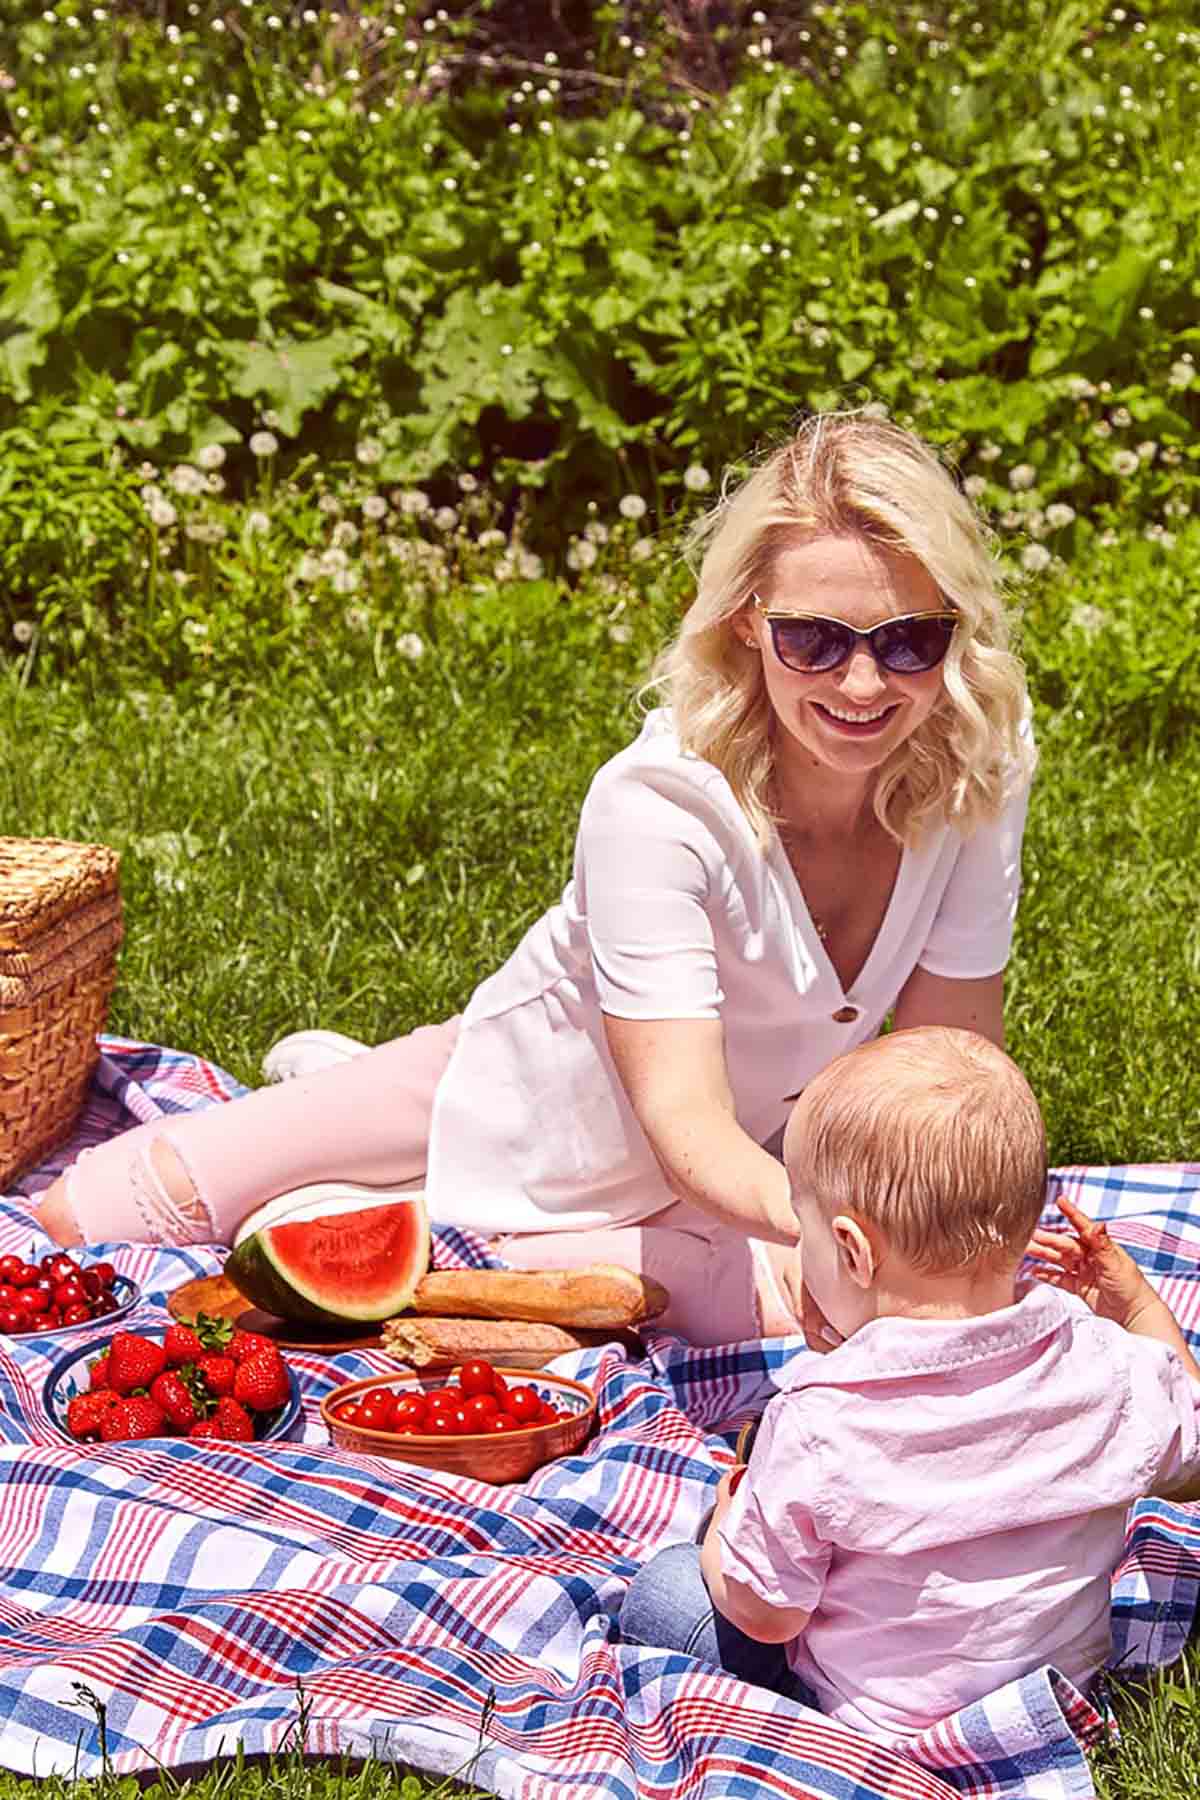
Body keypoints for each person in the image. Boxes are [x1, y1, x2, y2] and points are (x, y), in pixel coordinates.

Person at [35, 412, 1035, 1345]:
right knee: (85, 1214)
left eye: (909, 642)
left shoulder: (980, 762)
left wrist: (958, 1224)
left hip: (726, 1178)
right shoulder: (659, 804)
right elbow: (682, 1119)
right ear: (743, 622)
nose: (863, 686)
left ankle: (421, 1203)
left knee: (837, 1309)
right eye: (813, 640)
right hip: (522, 1094)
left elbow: (952, 1056)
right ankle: (359, 1130)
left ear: (954, 634)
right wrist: (838, 1232)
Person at [618, 1028, 1200, 1745]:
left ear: (854, 1252)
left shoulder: (820, 1418)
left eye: (802, 1231)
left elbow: (766, 1614)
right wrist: (1139, 1308)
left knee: (672, 1594)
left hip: (872, 1729)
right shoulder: (1101, 1363)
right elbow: (1194, 1458)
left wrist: (727, 1524)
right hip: (1054, 1701)